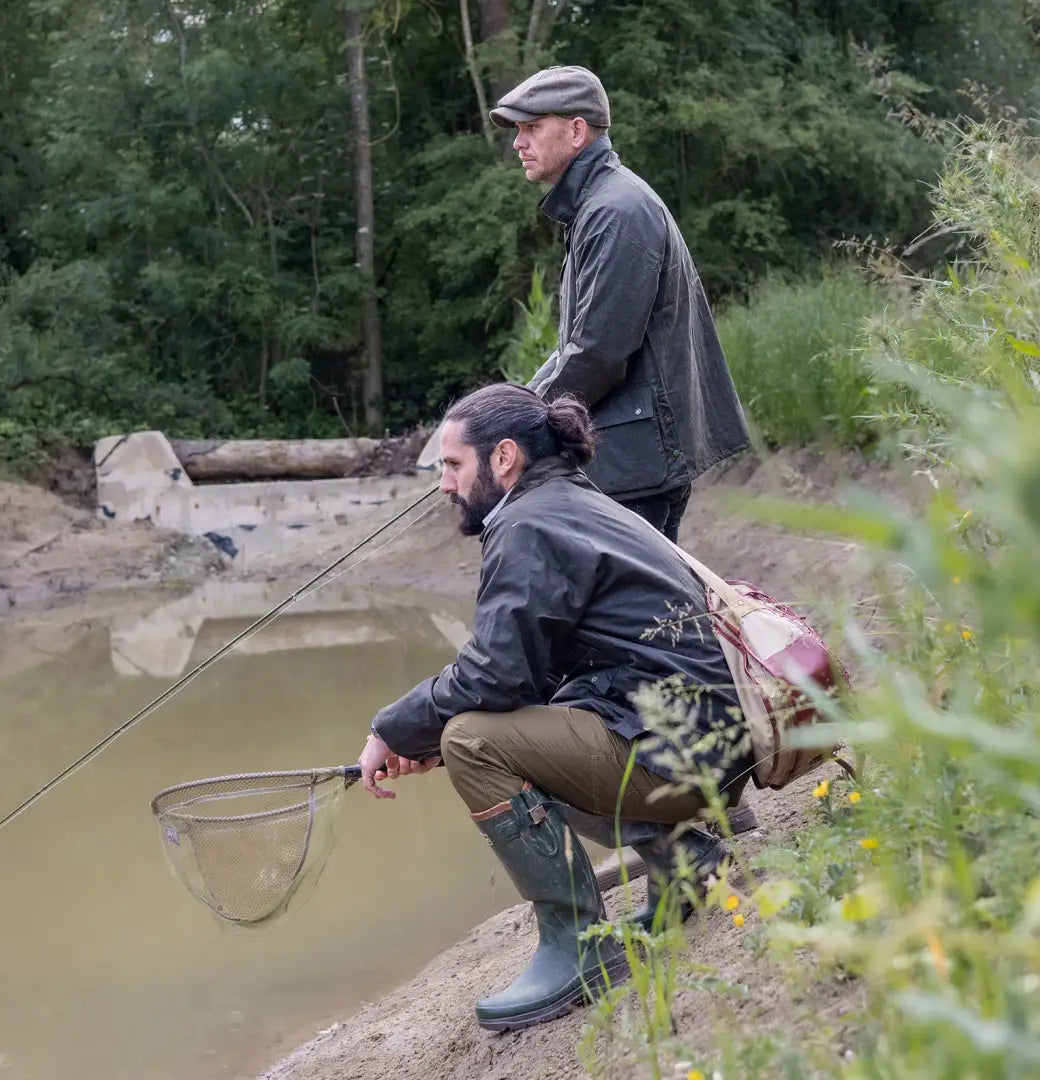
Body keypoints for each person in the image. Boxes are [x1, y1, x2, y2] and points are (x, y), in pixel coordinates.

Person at [356, 383, 754, 1032]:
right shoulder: (570, 500)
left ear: (503, 457)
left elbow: (491, 677)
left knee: (471, 742)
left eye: (453, 466)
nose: (444, 485)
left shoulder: (528, 523)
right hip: (711, 749)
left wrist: (390, 727)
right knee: (467, 735)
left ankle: (579, 947)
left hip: (682, 755)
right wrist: (422, 740)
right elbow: (527, 679)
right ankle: (685, 865)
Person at [491, 62, 760, 833]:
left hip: (638, 459)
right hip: (630, 453)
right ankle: (708, 807)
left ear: (576, 131)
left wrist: (508, 423)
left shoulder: (616, 209)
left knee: (634, 646)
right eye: (515, 130)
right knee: (645, 642)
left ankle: (697, 812)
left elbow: (598, 354)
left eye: (530, 129)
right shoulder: (597, 207)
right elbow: (584, 348)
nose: (518, 143)